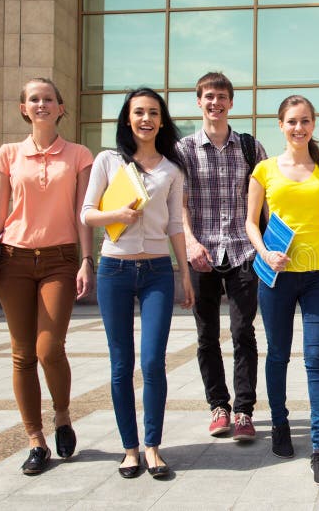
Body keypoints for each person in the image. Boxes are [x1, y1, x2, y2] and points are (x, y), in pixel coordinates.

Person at [0, 78, 93, 475]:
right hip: (12, 261)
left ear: (60, 108)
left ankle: (62, 415)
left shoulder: (78, 155)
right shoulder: (7, 155)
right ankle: (35, 440)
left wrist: (87, 259)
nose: (42, 104)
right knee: (22, 354)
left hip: (59, 259)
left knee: (49, 348)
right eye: (34, 100)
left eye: (49, 99)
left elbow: (82, 213)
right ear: (24, 108)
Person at [82, 87, 194, 479]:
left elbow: (177, 225)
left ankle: (152, 447)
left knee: (152, 361)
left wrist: (184, 273)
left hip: (158, 272)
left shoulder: (172, 169)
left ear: (162, 120)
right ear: (127, 119)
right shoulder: (108, 161)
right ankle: (129, 449)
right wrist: (117, 213)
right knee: (121, 363)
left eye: (153, 113)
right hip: (114, 270)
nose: (145, 119)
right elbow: (87, 213)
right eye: (138, 112)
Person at [245, 95, 319, 487]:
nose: (298, 127)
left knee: (317, 359)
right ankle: (280, 424)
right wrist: (264, 252)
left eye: (305, 120)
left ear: (313, 125)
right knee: (279, 354)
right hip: (277, 276)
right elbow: (250, 223)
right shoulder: (264, 170)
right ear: (281, 126)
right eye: (291, 121)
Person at [177, 72, 267, 440]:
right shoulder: (183, 150)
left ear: (232, 103)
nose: (215, 103)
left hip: (243, 250)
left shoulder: (250, 148)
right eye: (209, 97)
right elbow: (176, 203)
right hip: (202, 253)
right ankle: (219, 407)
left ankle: (244, 411)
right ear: (199, 101)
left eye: (222, 97)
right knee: (206, 335)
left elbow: (266, 201)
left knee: (243, 331)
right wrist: (189, 241)